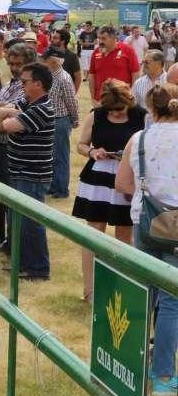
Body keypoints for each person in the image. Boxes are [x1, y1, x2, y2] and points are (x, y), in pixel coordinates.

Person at [115, 83, 178, 396]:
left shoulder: (138, 137)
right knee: (172, 302)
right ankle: (164, 376)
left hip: (145, 222)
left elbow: (122, 183)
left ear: (151, 109)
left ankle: (131, 361)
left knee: (145, 293)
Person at [72, 80, 144, 300]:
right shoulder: (96, 115)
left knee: (124, 234)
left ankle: (122, 288)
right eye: (111, 110)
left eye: (120, 110)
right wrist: (93, 151)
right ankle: (91, 290)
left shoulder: (141, 116)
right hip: (98, 180)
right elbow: (81, 145)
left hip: (126, 178)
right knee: (94, 233)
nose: (116, 114)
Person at [0, 63, 55, 280]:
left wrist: (9, 116)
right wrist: (12, 113)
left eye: (25, 81)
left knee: (31, 223)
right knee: (18, 220)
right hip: (19, 170)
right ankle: (23, 262)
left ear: (38, 84)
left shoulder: (42, 109)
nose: (21, 84)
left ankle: (38, 268)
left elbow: (5, 126)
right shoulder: (28, 103)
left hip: (32, 174)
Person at [0, 43, 38, 251]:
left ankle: (17, 245)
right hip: (0, 148)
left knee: (14, 201)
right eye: (11, 63)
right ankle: (6, 241)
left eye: (19, 64)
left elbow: (9, 112)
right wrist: (1, 109)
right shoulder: (11, 83)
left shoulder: (30, 88)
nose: (14, 67)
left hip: (16, 150)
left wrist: (2, 109)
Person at [41, 49, 79, 199]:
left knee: (61, 156)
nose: (43, 61)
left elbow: (71, 101)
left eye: (46, 59)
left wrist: (75, 119)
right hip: (50, 119)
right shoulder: (50, 76)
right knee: (50, 155)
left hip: (60, 120)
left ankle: (62, 188)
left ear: (53, 61)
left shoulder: (64, 78)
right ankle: (53, 186)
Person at [89, 26, 141, 107]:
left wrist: (131, 94)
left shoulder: (127, 50)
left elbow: (135, 74)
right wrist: (93, 98)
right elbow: (92, 75)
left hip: (122, 100)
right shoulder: (96, 52)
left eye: (103, 38)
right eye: (99, 38)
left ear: (113, 38)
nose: (100, 41)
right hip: (100, 100)